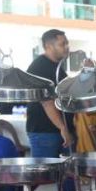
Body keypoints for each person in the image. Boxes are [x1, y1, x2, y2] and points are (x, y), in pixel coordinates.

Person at [25, 29, 74, 157]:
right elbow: (47, 103)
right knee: (45, 175)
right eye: (62, 44)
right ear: (48, 46)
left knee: (65, 174)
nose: (66, 47)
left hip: (58, 130)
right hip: (45, 132)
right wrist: (63, 128)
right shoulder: (40, 67)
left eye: (66, 43)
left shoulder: (57, 67)